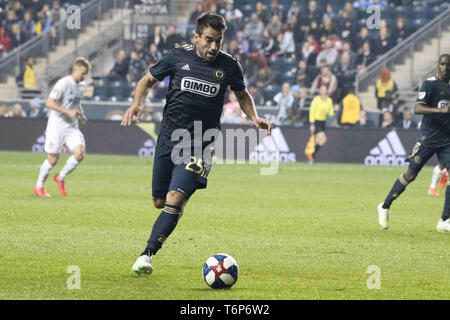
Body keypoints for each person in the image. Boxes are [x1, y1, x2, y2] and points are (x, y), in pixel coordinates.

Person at [121, 13, 272, 275]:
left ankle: (146, 256)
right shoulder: (177, 56)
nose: (214, 47)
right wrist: (137, 104)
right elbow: (146, 81)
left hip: (201, 143)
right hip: (169, 138)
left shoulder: (229, 65)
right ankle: (173, 208)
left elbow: (242, 94)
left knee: (175, 198)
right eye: (209, 40)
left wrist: (254, 117)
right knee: (160, 201)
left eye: (219, 41)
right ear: (196, 37)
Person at [377, 54, 450, 232]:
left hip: (447, 140)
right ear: (437, 66)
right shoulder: (429, 84)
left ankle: (444, 220)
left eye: (448, 65)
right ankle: (385, 206)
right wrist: (440, 110)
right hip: (428, 138)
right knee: (410, 176)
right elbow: (417, 108)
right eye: (442, 64)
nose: (445, 67)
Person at [33, 57, 90, 197]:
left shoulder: (79, 86)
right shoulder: (63, 83)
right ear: (75, 70)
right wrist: (68, 111)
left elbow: (76, 103)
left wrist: (81, 114)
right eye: (82, 73)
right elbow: (49, 103)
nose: (84, 76)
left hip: (71, 126)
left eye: (86, 74)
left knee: (79, 154)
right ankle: (39, 187)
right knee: (53, 159)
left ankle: (60, 177)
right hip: (57, 125)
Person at [308, 85, 334, 164]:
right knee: (323, 139)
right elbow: (312, 111)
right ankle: (312, 155)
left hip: (323, 122)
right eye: (321, 89)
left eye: (324, 89)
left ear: (326, 91)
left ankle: (312, 157)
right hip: (316, 121)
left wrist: (331, 109)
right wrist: (312, 124)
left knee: (319, 142)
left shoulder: (329, 100)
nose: (323, 91)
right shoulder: (316, 100)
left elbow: (331, 114)